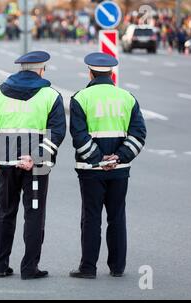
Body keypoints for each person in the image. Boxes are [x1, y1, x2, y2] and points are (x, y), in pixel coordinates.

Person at [0, 51, 66, 280]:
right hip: (36, 167)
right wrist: (34, 157)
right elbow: (56, 132)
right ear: (41, 70)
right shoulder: (50, 96)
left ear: (21, 69)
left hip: (6, 165)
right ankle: (29, 268)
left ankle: (0, 266)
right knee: (34, 214)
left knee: (5, 212)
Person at [69, 52, 147, 279]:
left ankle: (88, 268)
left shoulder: (80, 98)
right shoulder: (127, 97)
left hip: (90, 170)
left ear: (90, 73)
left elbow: (79, 135)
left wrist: (97, 159)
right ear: (112, 73)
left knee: (91, 217)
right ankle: (117, 267)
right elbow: (139, 134)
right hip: (120, 171)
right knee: (117, 216)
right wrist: (120, 158)